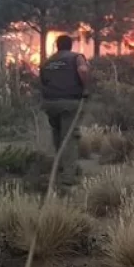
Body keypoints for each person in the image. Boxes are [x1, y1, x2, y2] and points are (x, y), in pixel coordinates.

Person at [39, 35, 90, 180]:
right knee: (69, 137)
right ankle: (69, 175)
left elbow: (42, 81)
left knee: (57, 134)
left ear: (57, 46)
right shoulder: (76, 57)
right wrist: (85, 88)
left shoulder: (47, 62)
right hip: (69, 102)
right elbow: (83, 70)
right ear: (71, 45)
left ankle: (60, 166)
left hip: (50, 103)